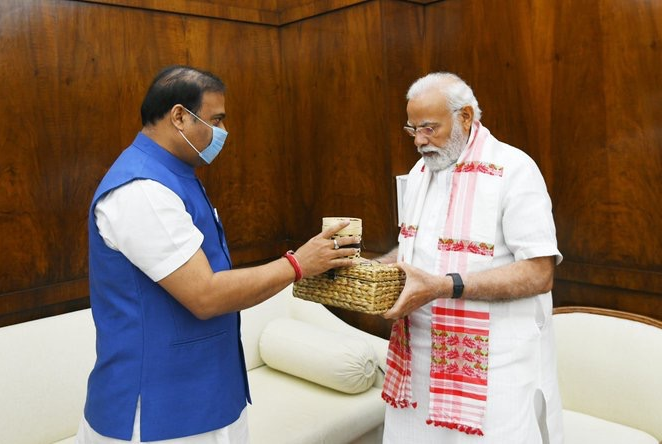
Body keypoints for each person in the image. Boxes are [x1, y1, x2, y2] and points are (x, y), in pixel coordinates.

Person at [78, 65, 358, 443]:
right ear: (179, 116)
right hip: (159, 411)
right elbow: (205, 295)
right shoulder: (141, 189)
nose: (222, 133)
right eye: (216, 119)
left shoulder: (175, 175)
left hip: (207, 394)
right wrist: (297, 265)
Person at [376, 72, 564, 443]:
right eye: (412, 128)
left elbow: (540, 272)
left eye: (429, 128)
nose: (419, 140)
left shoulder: (515, 169)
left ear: (465, 116)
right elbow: (417, 248)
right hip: (417, 362)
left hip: (495, 368)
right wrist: (373, 270)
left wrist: (446, 287)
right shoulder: (419, 173)